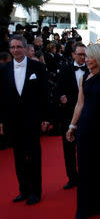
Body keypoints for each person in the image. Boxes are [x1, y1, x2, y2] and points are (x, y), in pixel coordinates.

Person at [66, 44, 100, 219]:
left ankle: (99, 205)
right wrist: (72, 126)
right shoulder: (84, 78)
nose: (85, 59)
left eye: (89, 56)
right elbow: (80, 104)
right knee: (85, 168)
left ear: (99, 58)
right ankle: (84, 207)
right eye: (85, 56)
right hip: (85, 128)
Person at [0, 35, 50, 205]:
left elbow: (45, 94)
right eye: (12, 47)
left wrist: (46, 117)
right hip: (12, 121)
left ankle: (36, 192)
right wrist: (1, 121)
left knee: (34, 156)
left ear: (25, 48)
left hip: (33, 120)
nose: (15, 50)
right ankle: (23, 190)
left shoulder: (38, 67)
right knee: (18, 157)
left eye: (18, 47)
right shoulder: (3, 69)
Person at [55, 42, 88, 190]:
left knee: (85, 149)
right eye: (80, 54)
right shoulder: (65, 69)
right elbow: (58, 89)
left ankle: (85, 177)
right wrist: (61, 97)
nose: (83, 57)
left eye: (85, 54)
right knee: (68, 149)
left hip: (87, 115)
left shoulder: (91, 70)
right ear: (73, 54)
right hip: (68, 114)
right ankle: (71, 177)